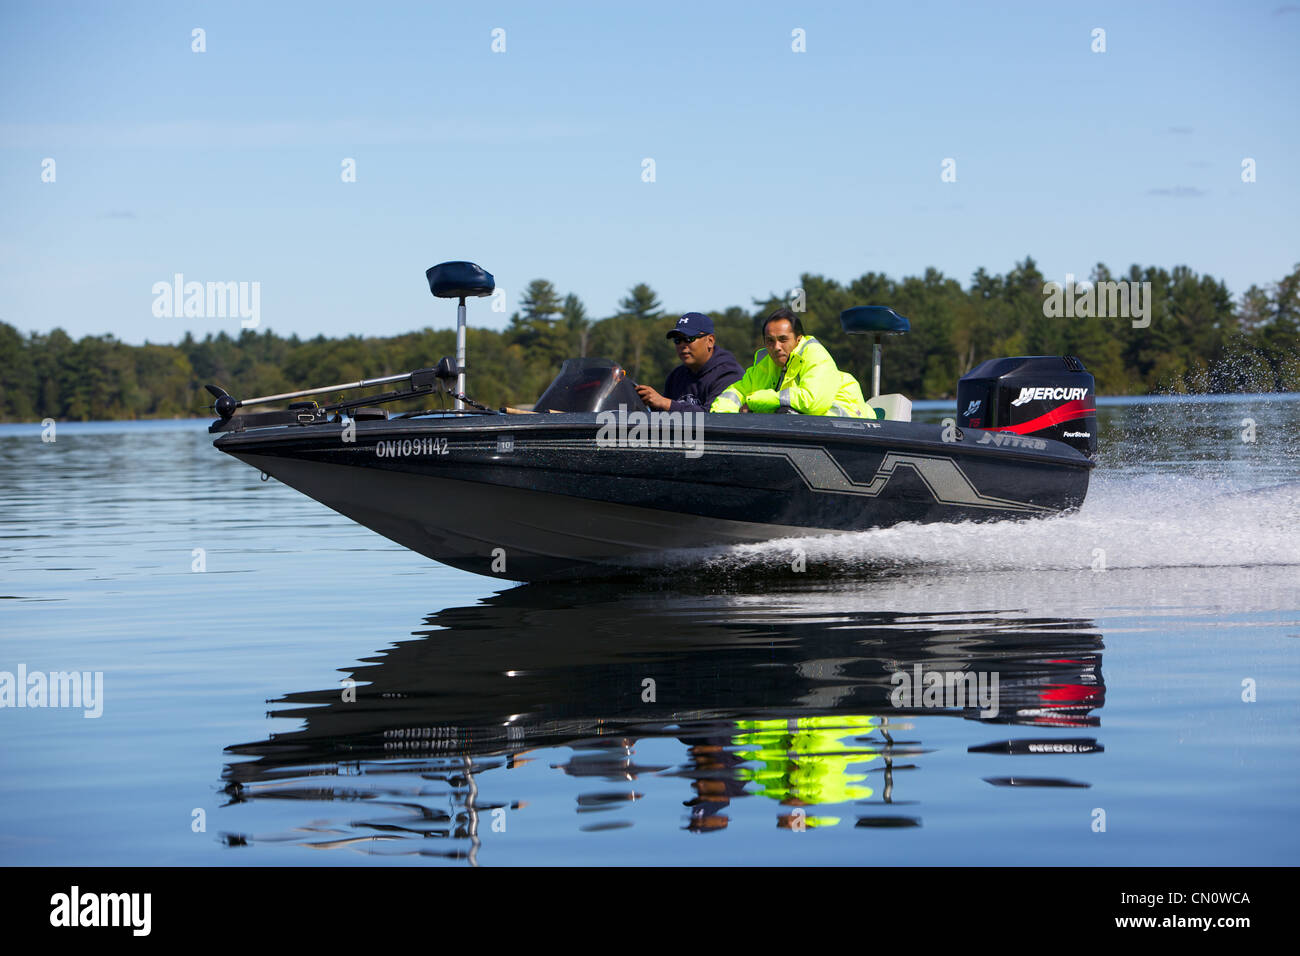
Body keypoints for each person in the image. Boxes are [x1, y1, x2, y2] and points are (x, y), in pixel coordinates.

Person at [710, 308, 873, 418]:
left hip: (850, 429)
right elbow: (735, 393)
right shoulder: (763, 365)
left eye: (783, 339)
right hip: (807, 434)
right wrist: (722, 417)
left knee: (786, 413)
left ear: (798, 339)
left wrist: (757, 402)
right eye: (770, 341)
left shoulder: (817, 356)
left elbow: (813, 402)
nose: (776, 347)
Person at [635, 312, 744, 412]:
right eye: (677, 340)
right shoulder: (676, 376)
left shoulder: (729, 374)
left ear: (710, 341)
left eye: (689, 339)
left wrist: (665, 403)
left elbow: (714, 418)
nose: (682, 345)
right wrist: (649, 403)